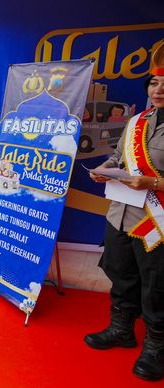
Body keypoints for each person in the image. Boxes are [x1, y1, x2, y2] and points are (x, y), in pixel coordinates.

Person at [85, 55, 164, 381]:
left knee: (156, 285)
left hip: (156, 221)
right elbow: (119, 157)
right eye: (155, 83)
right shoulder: (137, 122)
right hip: (122, 212)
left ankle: (156, 346)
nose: (159, 89)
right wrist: (105, 169)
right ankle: (122, 329)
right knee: (121, 273)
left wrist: (153, 182)